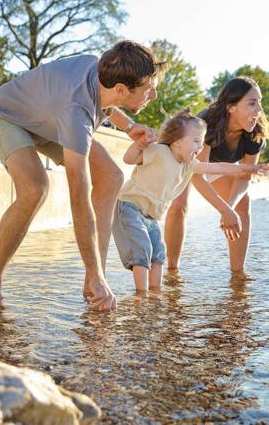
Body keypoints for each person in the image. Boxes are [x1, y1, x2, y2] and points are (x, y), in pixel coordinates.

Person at [0, 40, 166, 311]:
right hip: (4, 117)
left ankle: (95, 282)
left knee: (110, 176)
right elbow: (79, 199)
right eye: (149, 90)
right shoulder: (76, 115)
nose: (154, 96)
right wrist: (92, 269)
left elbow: (106, 101)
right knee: (35, 188)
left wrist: (129, 126)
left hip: (47, 120)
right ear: (122, 89)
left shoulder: (100, 69)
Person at [112, 110, 269, 291]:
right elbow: (129, 159)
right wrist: (139, 144)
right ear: (178, 143)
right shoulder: (159, 151)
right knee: (143, 248)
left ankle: (155, 293)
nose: (201, 147)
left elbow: (218, 167)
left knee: (159, 254)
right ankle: (142, 294)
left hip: (150, 217)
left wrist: (250, 168)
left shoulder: (189, 165)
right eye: (196, 141)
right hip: (130, 207)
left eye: (202, 142)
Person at [165, 77, 268, 274]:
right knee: (179, 205)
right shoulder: (207, 124)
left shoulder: (255, 131)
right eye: (252, 103)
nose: (259, 110)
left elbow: (244, 176)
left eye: (260, 102)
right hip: (185, 162)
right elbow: (197, 172)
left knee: (242, 203)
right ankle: (172, 271)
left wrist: (230, 207)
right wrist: (224, 210)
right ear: (231, 107)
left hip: (218, 167)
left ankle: (237, 275)